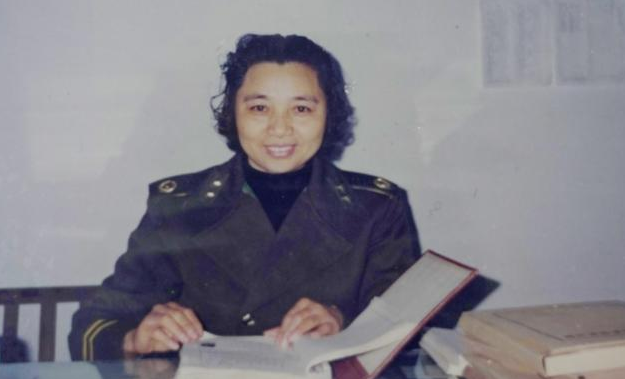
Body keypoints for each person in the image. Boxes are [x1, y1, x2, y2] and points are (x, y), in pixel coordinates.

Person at [69, 34, 421, 361]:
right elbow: (92, 326)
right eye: (259, 108)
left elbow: (411, 333)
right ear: (232, 113)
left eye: (301, 109)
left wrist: (343, 324)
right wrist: (134, 339)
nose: (279, 128)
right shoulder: (177, 208)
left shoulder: (377, 209)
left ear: (328, 116)